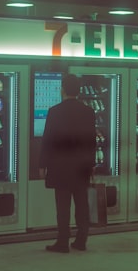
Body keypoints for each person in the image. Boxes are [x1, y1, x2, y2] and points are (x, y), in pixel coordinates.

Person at [39, 73, 96, 253]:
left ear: (63, 89)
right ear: (78, 91)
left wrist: (43, 165)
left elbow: (47, 140)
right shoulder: (88, 112)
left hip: (60, 166)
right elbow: (91, 141)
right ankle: (81, 240)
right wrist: (92, 164)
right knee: (82, 204)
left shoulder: (55, 112)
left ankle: (63, 242)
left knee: (62, 206)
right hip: (81, 167)